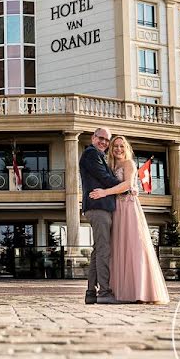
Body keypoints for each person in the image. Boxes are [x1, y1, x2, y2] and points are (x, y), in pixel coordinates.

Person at [89, 136, 169, 304]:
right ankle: (120, 292)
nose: (118, 149)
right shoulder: (110, 166)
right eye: (115, 146)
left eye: (121, 146)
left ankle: (139, 291)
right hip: (115, 209)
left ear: (126, 148)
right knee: (117, 248)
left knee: (133, 247)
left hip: (128, 207)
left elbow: (127, 185)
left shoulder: (129, 164)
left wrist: (104, 193)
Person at [79, 128, 123, 305]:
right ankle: (104, 292)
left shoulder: (98, 155)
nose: (104, 142)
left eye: (107, 140)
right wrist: (125, 185)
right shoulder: (91, 153)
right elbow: (104, 178)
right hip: (98, 207)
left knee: (98, 250)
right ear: (93, 138)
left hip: (99, 207)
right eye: (101, 138)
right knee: (104, 250)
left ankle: (91, 292)